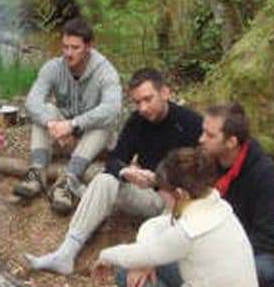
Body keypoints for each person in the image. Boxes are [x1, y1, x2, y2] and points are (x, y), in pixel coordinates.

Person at [91, 147, 259, 287]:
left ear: (180, 194)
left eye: (160, 189)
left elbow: (134, 255)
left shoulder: (188, 232)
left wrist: (104, 257)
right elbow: (155, 226)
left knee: (127, 273)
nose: (158, 192)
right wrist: (148, 258)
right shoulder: (216, 204)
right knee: (147, 264)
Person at [25, 68, 202, 274]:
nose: (143, 108)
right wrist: (126, 172)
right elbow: (114, 159)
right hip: (147, 195)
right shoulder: (137, 121)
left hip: (177, 200)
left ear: (164, 93)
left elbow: (202, 174)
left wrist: (161, 180)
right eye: (137, 102)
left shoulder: (191, 123)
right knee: (104, 179)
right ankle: (65, 254)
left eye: (148, 99)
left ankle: (150, 263)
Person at [198, 103, 274, 287]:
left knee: (266, 269)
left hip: (244, 248)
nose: (201, 139)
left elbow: (267, 238)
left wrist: (227, 256)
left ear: (231, 142)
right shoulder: (205, 159)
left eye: (209, 135)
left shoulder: (263, 173)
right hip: (209, 240)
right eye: (202, 131)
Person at [13, 17, 122, 214]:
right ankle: (37, 172)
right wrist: (52, 124)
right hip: (63, 140)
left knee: (106, 122)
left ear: (88, 47)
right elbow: (32, 101)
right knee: (45, 109)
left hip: (93, 142)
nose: (68, 53)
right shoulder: (53, 67)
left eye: (75, 48)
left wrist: (72, 125)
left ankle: (69, 180)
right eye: (65, 47)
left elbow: (113, 107)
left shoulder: (106, 72)